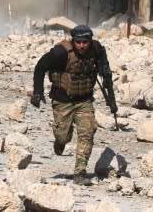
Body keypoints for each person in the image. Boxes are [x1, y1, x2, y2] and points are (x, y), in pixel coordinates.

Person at [30, 24, 116, 185]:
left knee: (87, 133)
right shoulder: (61, 53)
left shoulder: (96, 49)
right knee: (63, 135)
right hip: (62, 101)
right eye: (78, 42)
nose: (82, 46)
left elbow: (106, 74)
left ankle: (80, 172)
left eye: (85, 42)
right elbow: (40, 67)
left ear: (90, 41)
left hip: (84, 100)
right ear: (73, 41)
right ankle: (60, 142)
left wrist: (111, 100)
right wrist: (38, 92)